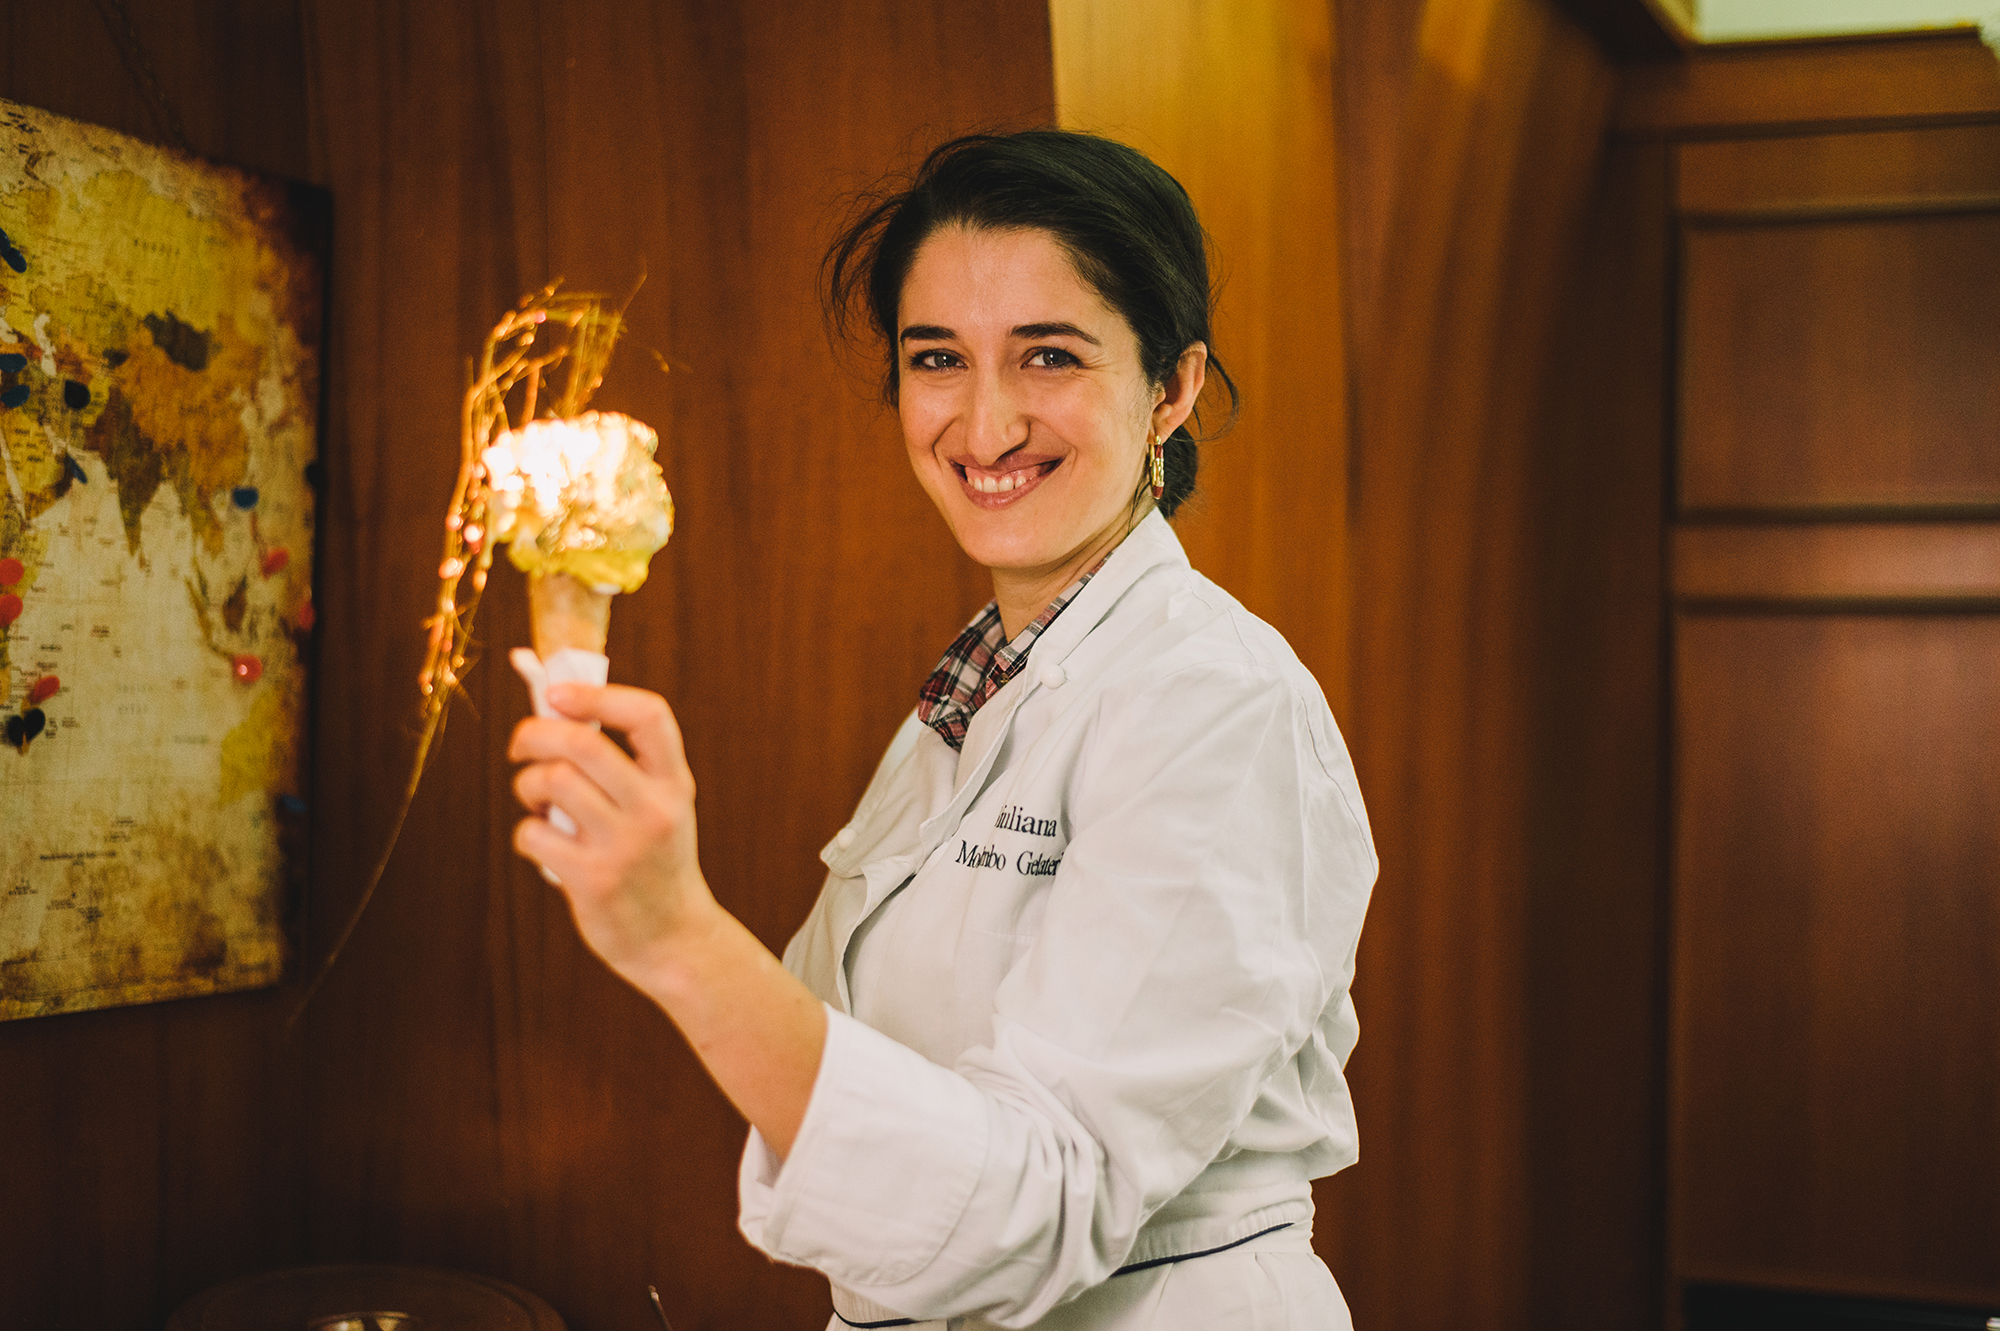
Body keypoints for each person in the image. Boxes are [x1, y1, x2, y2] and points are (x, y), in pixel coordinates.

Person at [509, 129, 1377, 1331]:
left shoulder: (1213, 704)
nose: (982, 424)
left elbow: (1044, 1203)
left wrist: (677, 933)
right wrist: (641, 886)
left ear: (1169, 389)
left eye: (1050, 356)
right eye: (936, 358)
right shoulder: (978, 690)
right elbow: (859, 1064)